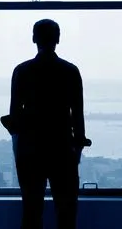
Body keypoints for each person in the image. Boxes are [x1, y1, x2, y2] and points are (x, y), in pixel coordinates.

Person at [9, 19, 88, 229]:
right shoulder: (70, 71)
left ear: (34, 38)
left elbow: (14, 117)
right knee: (66, 212)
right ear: (58, 39)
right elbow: (78, 114)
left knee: (31, 211)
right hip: (62, 147)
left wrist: (19, 146)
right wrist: (77, 149)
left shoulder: (22, 71)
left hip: (30, 148)